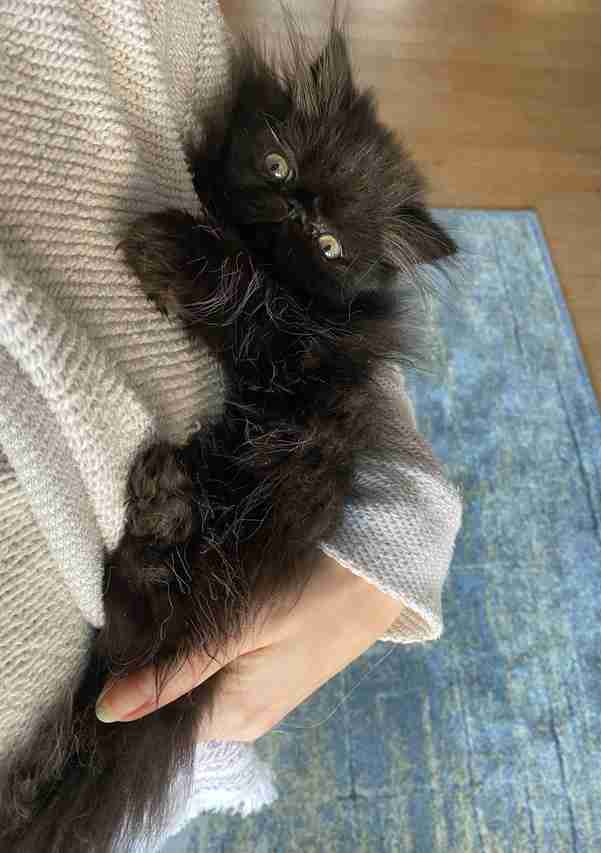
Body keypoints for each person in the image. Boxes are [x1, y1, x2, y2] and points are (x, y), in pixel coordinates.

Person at [0, 0, 462, 841]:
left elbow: (328, 368)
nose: (293, 220)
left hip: (166, 600)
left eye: (326, 243)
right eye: (283, 174)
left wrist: (397, 531)